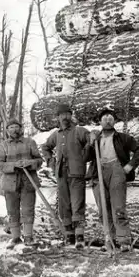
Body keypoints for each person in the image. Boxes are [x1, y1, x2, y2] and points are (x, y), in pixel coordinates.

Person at [86, 108, 139, 252]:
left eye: (110, 118)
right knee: (103, 209)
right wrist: (90, 143)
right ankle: (109, 239)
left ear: (114, 121)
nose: (108, 120)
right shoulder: (96, 138)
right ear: (100, 122)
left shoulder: (123, 138)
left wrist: (130, 166)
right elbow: (86, 158)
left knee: (118, 207)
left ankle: (124, 240)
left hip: (117, 171)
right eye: (105, 118)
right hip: (98, 173)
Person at [40, 104, 93, 248]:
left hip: (76, 173)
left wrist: (90, 141)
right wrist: (51, 161)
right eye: (61, 115)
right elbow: (45, 147)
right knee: (64, 206)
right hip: (61, 174)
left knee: (77, 204)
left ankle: (80, 236)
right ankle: (69, 235)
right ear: (57, 118)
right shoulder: (56, 135)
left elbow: (90, 138)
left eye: (67, 114)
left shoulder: (79, 131)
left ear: (71, 116)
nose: (65, 117)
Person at [0, 119, 44, 249]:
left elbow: (39, 160)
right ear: (7, 130)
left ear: (21, 129)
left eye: (16, 127)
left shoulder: (30, 142)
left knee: (28, 210)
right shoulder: (3, 145)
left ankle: (28, 236)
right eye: (11, 127)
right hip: (10, 184)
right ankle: (15, 237)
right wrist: (13, 165)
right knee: (12, 211)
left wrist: (30, 163)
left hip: (28, 181)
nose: (14, 129)